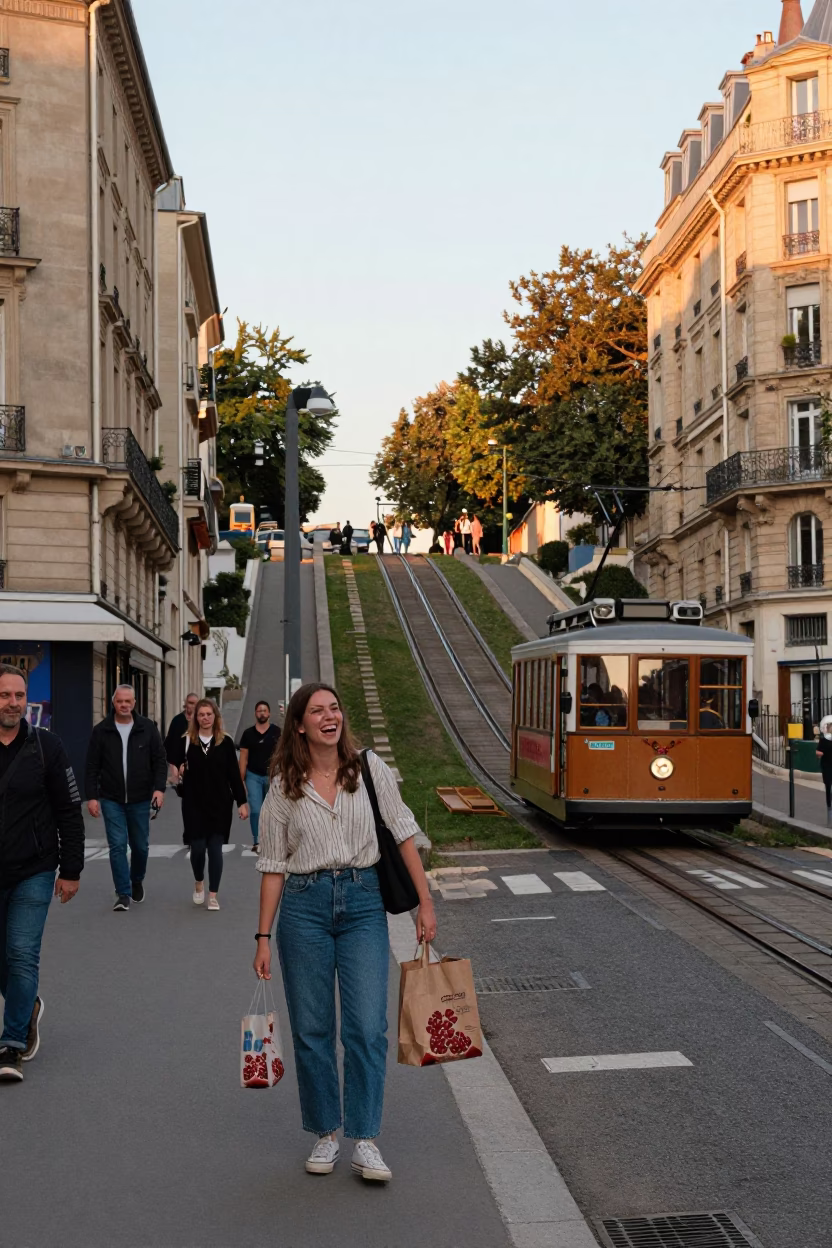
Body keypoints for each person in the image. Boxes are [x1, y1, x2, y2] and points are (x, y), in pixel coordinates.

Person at [253, 682, 435, 1182]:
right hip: (303, 909)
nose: (329, 717)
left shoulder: (368, 768)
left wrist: (425, 901)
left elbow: (402, 833)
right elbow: (273, 865)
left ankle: (366, 1139)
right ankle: (325, 1133)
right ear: (300, 725)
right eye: (317, 711)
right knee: (312, 1029)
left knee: (365, 1028)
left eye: (335, 708)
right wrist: (262, 937)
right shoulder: (284, 785)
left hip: (362, 903)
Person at [0, 664, 84, 1083]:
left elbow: (69, 810)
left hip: (33, 869)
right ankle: (28, 1005)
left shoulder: (47, 747)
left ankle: (11, 1043)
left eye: (19, 695)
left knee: (20, 953)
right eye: (5, 695)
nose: (13, 703)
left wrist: (71, 869)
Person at [85, 684, 167, 911]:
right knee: (118, 846)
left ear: (134, 703)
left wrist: (159, 790)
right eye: (120, 701)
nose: (124, 705)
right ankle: (122, 893)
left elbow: (159, 761)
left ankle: (136, 879)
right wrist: (92, 796)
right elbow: (92, 765)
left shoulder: (147, 728)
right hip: (112, 799)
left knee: (140, 847)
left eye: (128, 701)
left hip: (141, 798)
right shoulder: (101, 730)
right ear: (113, 703)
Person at [170, 699, 248, 910]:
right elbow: (173, 764)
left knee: (215, 850)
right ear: (196, 718)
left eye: (209, 714)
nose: (205, 718)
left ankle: (213, 894)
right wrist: (176, 771)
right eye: (201, 714)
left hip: (220, 804)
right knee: (197, 849)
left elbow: (233, 774)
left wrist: (242, 801)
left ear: (215, 716)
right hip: (194, 803)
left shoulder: (226, 742)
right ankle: (199, 882)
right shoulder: (187, 741)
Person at [239, 701, 281, 853]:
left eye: (264, 710)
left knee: (272, 810)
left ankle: (271, 840)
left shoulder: (277, 732)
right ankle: (257, 840)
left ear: (269, 714)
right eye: (259, 711)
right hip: (253, 776)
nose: (262, 713)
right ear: (255, 714)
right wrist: (241, 780)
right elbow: (243, 757)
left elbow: (282, 754)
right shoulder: (248, 734)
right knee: (256, 809)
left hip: (272, 776)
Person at [164, 692, 198, 780]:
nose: (193, 706)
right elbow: (170, 743)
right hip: (178, 764)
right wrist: (173, 766)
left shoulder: (200, 721)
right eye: (190, 703)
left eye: (195, 704)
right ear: (185, 703)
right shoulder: (177, 721)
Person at [816, 716, 832, 819]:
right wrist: (820, 753)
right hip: (826, 765)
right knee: (828, 785)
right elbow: (818, 752)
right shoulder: (823, 740)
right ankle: (829, 806)